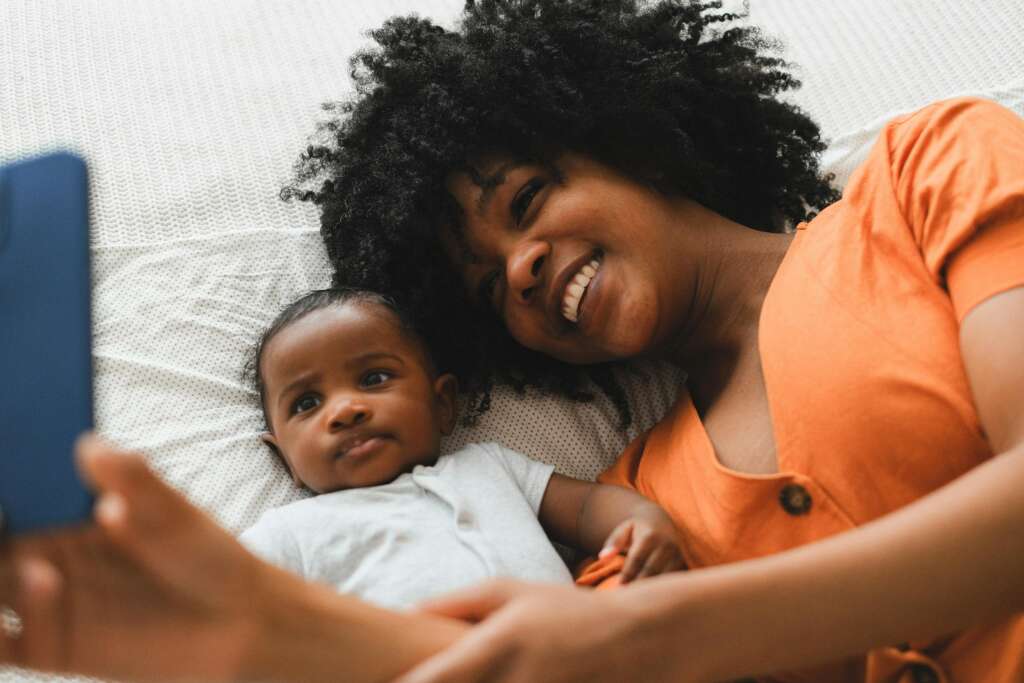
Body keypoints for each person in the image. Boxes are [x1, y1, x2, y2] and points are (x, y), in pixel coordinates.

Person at [1, 1, 1022, 682]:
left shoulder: (923, 173)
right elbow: (535, 661)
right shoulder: (632, 511)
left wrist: (650, 633)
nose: (523, 268)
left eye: (529, 199)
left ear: (634, 137)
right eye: (487, 290)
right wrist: (252, 623)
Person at [239, 287, 685, 605]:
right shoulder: (290, 534)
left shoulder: (489, 467)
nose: (345, 410)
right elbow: (218, 610)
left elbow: (586, 508)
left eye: (374, 379)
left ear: (442, 403)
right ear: (285, 459)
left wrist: (642, 519)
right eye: (307, 403)